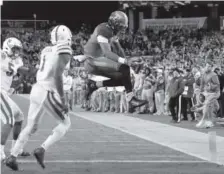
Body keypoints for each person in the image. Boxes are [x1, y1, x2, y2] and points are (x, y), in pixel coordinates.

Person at [6, 25, 73, 170]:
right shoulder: (65, 49)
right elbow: (56, 76)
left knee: (31, 127)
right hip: (48, 91)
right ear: (66, 37)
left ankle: (13, 156)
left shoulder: (46, 50)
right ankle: (42, 149)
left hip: (37, 89)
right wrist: (63, 99)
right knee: (66, 123)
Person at [83, 11, 147, 113]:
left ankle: (94, 85)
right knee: (124, 69)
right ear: (114, 23)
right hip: (92, 59)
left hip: (99, 59)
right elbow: (107, 53)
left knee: (125, 79)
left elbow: (119, 50)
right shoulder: (103, 29)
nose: (122, 29)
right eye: (120, 26)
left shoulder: (112, 31)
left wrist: (128, 60)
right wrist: (126, 62)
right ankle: (131, 100)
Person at [1, 37, 30, 162]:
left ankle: (15, 149)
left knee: (19, 117)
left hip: (4, 92)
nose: (17, 52)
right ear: (7, 47)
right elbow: (20, 70)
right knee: (9, 119)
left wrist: (14, 86)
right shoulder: (2, 55)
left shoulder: (16, 59)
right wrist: (38, 72)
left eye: (18, 49)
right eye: (15, 49)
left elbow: (21, 75)